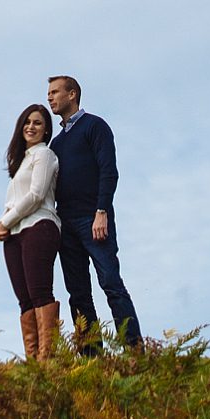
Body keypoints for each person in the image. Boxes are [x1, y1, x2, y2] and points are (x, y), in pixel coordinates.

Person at [45, 75, 141, 351]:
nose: (49, 97)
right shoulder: (56, 144)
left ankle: (134, 349)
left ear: (72, 94)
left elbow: (109, 171)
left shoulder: (95, 127)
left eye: (55, 92)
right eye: (48, 93)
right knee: (78, 293)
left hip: (93, 218)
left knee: (111, 283)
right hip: (67, 225)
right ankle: (91, 357)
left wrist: (102, 211)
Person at [0, 103, 62, 360]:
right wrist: (1, 226)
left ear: (46, 131)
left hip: (39, 227)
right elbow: (14, 201)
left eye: (38, 123)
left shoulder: (44, 155)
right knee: (24, 300)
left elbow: (36, 195)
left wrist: (5, 222)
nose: (31, 127)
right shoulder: (21, 162)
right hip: (15, 235)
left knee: (40, 293)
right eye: (27, 122)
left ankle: (47, 360)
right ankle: (34, 362)